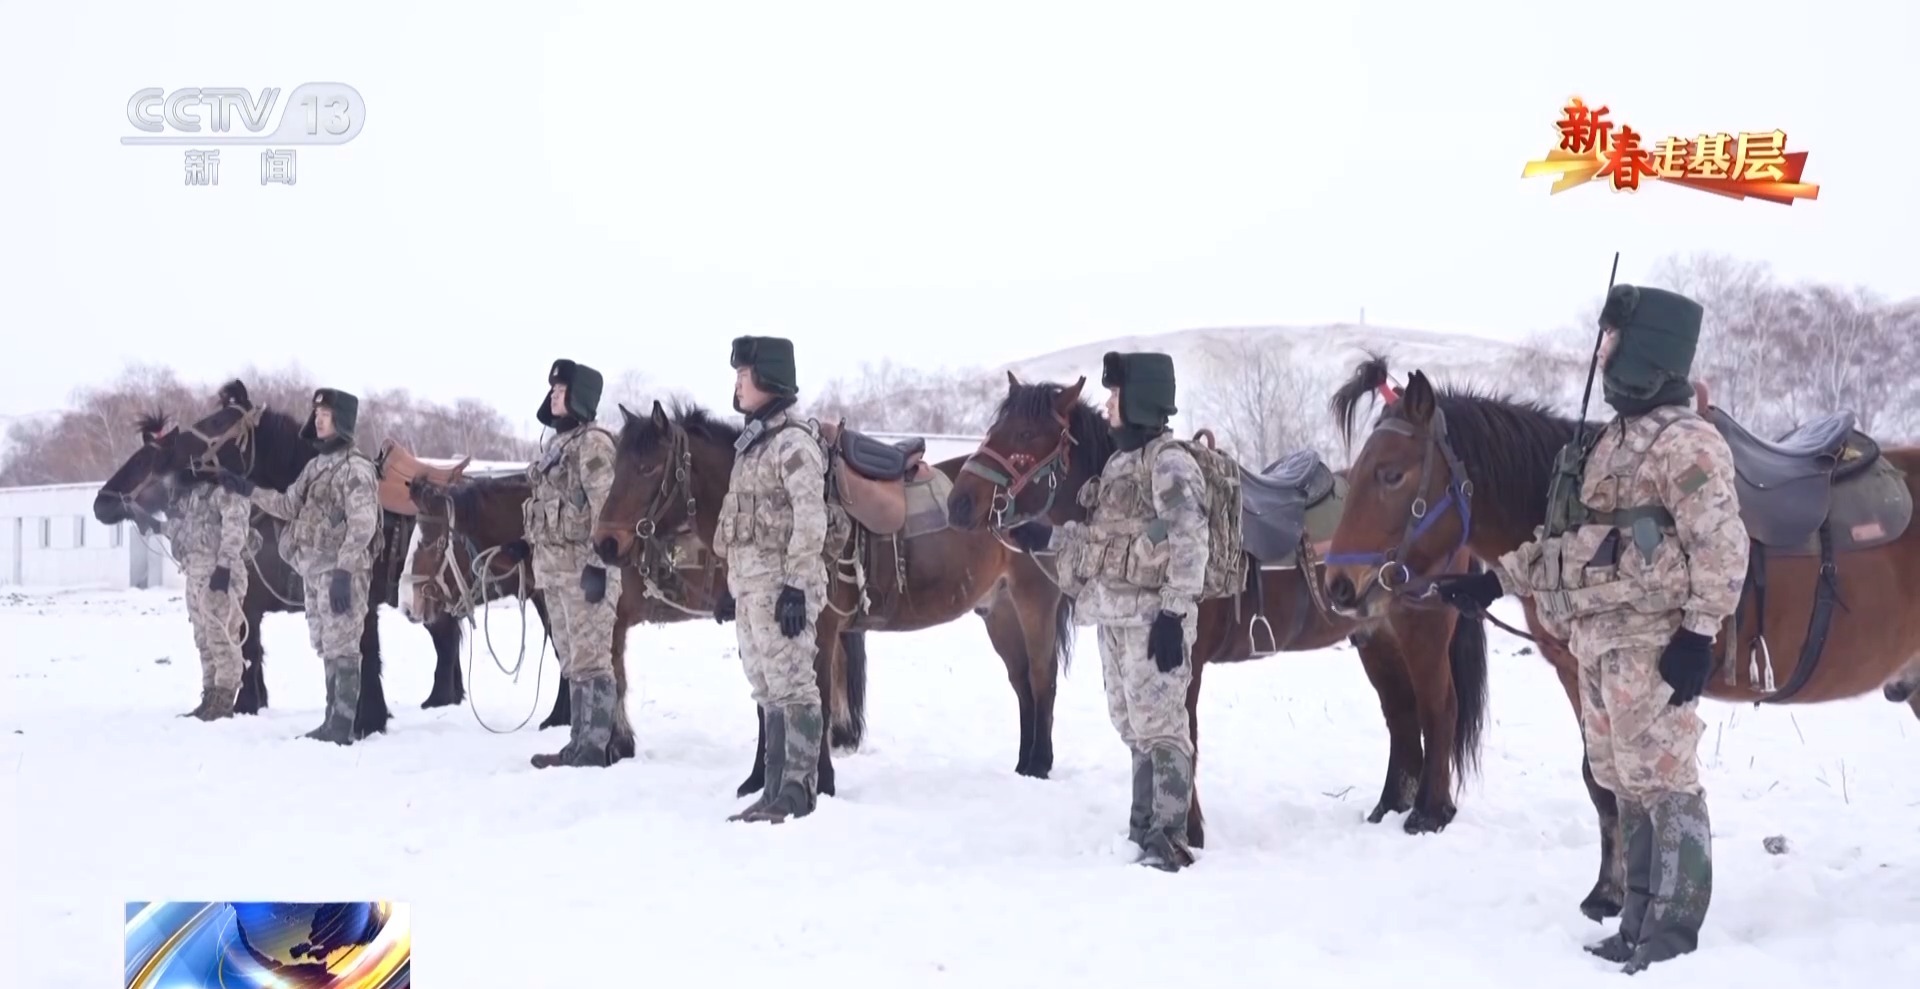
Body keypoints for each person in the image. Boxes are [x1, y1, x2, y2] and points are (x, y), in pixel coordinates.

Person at [1430, 285, 1746, 973]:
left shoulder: (1686, 443)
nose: (1603, 356)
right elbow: (1570, 543)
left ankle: (1674, 930)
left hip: (1653, 640)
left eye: (1613, 343)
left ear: (1647, 352)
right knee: (1621, 774)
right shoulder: (1608, 444)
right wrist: (1496, 580)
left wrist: (1699, 633)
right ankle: (1636, 919)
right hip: (1598, 642)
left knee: (1664, 778)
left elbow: (1723, 547)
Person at [1005, 351, 1209, 872]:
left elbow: (1189, 541)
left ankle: (1170, 837)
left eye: (1118, 395)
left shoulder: (1170, 464)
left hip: (1153, 619)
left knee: (1162, 725)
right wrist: (1046, 537)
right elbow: (1098, 541)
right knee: (1131, 723)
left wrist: (1174, 614)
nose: (1110, 404)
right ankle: (1144, 828)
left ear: (1142, 400)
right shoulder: (1119, 465)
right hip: (1114, 616)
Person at [711, 335, 832, 823]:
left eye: (745, 375)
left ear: (770, 379)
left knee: (793, 686)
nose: (738, 384)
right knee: (765, 688)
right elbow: (735, 522)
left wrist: (797, 586)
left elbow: (810, 519)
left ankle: (798, 791)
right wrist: (729, 584)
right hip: (750, 592)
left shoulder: (793, 443)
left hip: (783, 591)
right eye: (738, 375)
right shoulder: (752, 446)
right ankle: (774, 787)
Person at [218, 388, 380, 744]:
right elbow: (287, 505)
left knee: (344, 644)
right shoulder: (315, 467)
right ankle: (332, 718)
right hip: (315, 571)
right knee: (327, 643)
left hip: (342, 572)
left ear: (342, 421)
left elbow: (363, 525)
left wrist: (344, 571)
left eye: (326, 415)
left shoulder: (356, 468)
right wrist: (248, 490)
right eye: (316, 414)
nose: (318, 420)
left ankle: (342, 725)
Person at [499, 359, 622, 769]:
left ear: (580, 396)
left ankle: (595, 746)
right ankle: (578, 742)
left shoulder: (594, 445)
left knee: (592, 659)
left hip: (585, 572)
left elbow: (605, 511)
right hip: (554, 572)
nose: (553, 396)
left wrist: (598, 565)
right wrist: (525, 544)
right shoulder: (557, 446)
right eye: (552, 389)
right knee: (571, 661)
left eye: (562, 390)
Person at [156, 440, 252, 720]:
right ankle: (210, 696)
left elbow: (235, 529)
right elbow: (185, 530)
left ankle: (224, 700)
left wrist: (224, 567)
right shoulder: (194, 495)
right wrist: (156, 526)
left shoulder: (228, 491)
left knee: (222, 637)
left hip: (219, 575)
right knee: (204, 639)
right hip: (195, 574)